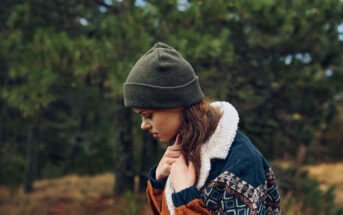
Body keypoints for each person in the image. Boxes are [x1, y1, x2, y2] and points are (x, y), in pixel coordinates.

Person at [123, 42, 281, 215]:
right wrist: (159, 182)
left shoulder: (242, 163)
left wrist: (186, 197)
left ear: (175, 104)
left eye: (148, 115)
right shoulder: (187, 148)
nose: (143, 125)